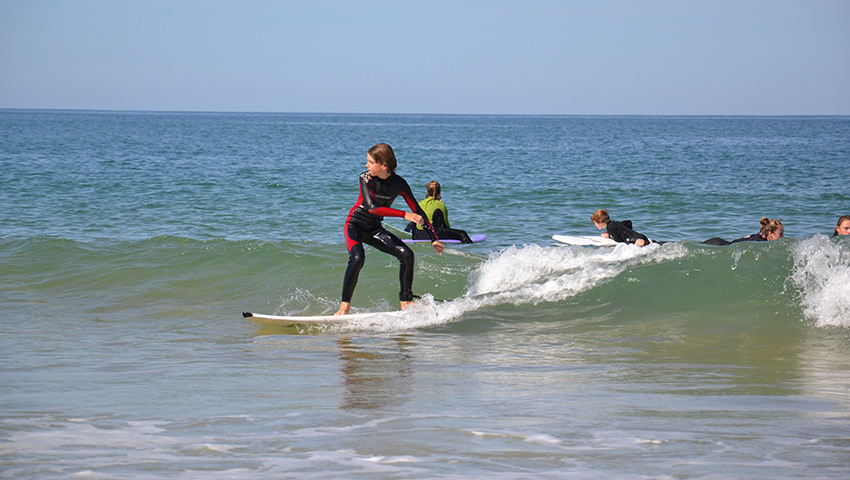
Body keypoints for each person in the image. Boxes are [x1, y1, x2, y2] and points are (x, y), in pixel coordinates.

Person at [335, 143, 444, 316]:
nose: (366, 165)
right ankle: (345, 306)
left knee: (407, 254)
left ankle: (406, 302)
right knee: (357, 257)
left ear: (384, 165)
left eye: (370, 162)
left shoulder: (399, 184)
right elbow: (372, 207)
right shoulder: (365, 178)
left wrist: (434, 238)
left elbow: (418, 210)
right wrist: (403, 214)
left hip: (374, 229)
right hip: (354, 225)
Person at [408, 181, 473, 243]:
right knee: (462, 233)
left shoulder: (420, 203)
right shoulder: (440, 205)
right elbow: (446, 225)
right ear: (439, 192)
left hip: (418, 235)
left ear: (427, 191)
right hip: (432, 235)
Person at [702, 217, 784, 245]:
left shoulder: (759, 235)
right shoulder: (760, 241)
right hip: (719, 245)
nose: (782, 236)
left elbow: (748, 237)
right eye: (780, 234)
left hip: (718, 242)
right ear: (770, 233)